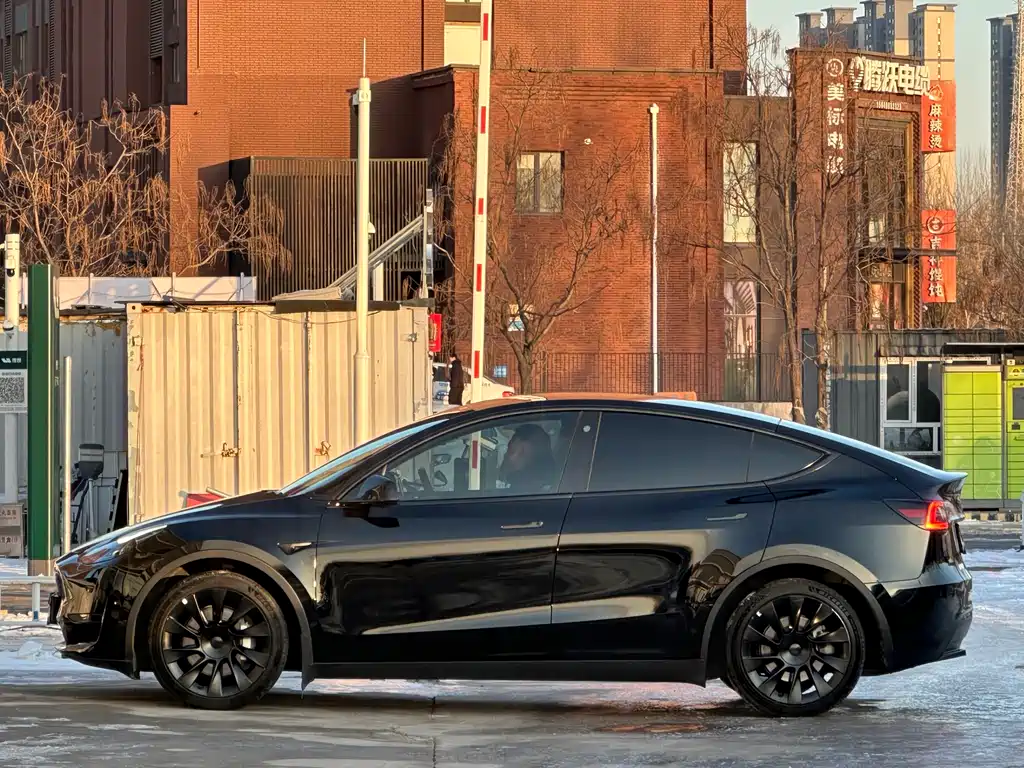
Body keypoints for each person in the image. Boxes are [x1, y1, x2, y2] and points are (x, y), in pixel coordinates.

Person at [498, 423, 556, 493]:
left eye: (511, 451)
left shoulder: (528, 497)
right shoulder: (549, 493)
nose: (505, 455)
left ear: (526, 451)